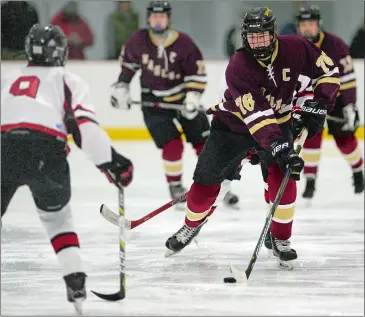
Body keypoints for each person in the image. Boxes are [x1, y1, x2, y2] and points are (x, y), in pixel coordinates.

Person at [165, 7, 340, 269]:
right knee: (203, 188)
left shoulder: (296, 47)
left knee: (284, 181)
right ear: (245, 38)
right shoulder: (238, 65)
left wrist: (320, 103)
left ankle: (280, 239)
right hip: (232, 128)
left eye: (263, 36)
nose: (258, 43)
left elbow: (328, 72)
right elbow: (258, 115)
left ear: (274, 34)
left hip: (278, 124)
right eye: (252, 37)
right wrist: (281, 145)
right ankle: (192, 225)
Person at [1, 24, 133, 313]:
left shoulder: (7, 78)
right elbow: (83, 128)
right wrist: (112, 161)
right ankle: (75, 283)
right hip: (45, 152)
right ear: (60, 51)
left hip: (3, 149)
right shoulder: (67, 80)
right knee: (58, 221)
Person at [111, 0, 239, 209]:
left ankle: (218, 185)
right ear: (148, 18)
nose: (158, 20)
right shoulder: (138, 40)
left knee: (206, 144)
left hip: (182, 100)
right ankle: (176, 187)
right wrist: (121, 88)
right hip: (153, 102)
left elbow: (196, 74)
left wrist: (192, 96)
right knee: (172, 145)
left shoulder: (184, 43)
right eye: (154, 16)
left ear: (168, 18)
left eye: (162, 16)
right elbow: (128, 67)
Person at [295, 5, 364, 199]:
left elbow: (348, 78)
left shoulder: (336, 45)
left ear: (319, 25)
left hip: (337, 98)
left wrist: (350, 105)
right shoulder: (294, 46)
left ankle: (358, 172)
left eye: (311, 24)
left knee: (345, 139)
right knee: (309, 137)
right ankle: (310, 181)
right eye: (303, 24)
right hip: (308, 99)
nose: (307, 28)